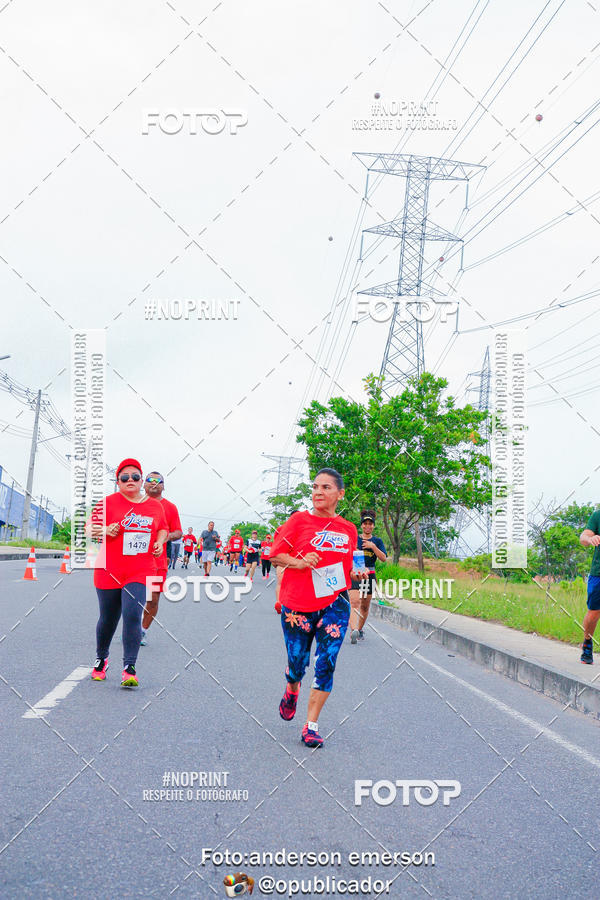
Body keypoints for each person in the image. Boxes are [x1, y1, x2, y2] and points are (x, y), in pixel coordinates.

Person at [269, 468, 358, 748]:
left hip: (335, 603)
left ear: (340, 494)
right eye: (315, 487)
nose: (318, 492)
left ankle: (311, 725)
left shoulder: (348, 529)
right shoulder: (299, 521)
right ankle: (292, 687)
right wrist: (299, 562)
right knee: (297, 664)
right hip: (298, 604)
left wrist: (359, 577)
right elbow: (275, 556)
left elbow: (351, 566)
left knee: (327, 663)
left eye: (326, 487)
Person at [88, 458, 168, 688]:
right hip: (109, 569)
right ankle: (101, 660)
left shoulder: (154, 506)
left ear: (141, 481)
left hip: (141, 569)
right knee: (108, 618)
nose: (130, 480)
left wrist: (160, 542)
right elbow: (88, 528)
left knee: (133, 615)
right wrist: (105, 529)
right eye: (125, 477)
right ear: (118, 482)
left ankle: (129, 668)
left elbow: (162, 528)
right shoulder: (108, 503)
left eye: (135, 477)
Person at [141, 472, 182, 644]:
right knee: (129, 598)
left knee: (153, 598)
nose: (154, 484)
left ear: (163, 486)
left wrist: (164, 537)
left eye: (159, 481)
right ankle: (130, 627)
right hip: (133, 560)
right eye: (150, 480)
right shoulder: (135, 503)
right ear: (144, 484)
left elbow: (178, 532)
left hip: (157, 561)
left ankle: (141, 631)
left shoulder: (170, 507)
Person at [348, 510, 387, 644]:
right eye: (365, 523)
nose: (368, 526)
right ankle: (353, 629)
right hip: (356, 574)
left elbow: (383, 558)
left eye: (370, 524)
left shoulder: (377, 541)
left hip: (370, 576)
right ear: (362, 525)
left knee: (364, 606)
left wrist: (372, 546)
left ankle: (359, 630)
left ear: (373, 526)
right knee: (354, 602)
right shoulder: (355, 539)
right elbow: (347, 555)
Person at [579, 512, 600, 663]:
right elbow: (583, 538)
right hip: (598, 573)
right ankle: (587, 642)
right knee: (594, 613)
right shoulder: (597, 516)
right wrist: (590, 538)